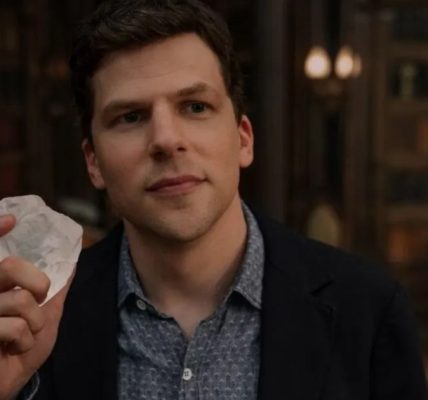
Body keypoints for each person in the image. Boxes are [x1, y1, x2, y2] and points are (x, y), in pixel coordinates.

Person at [0, 0, 427, 399]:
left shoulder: (367, 309)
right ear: (93, 162)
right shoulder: (37, 321)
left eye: (195, 107)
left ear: (243, 139)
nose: (166, 139)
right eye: (130, 116)